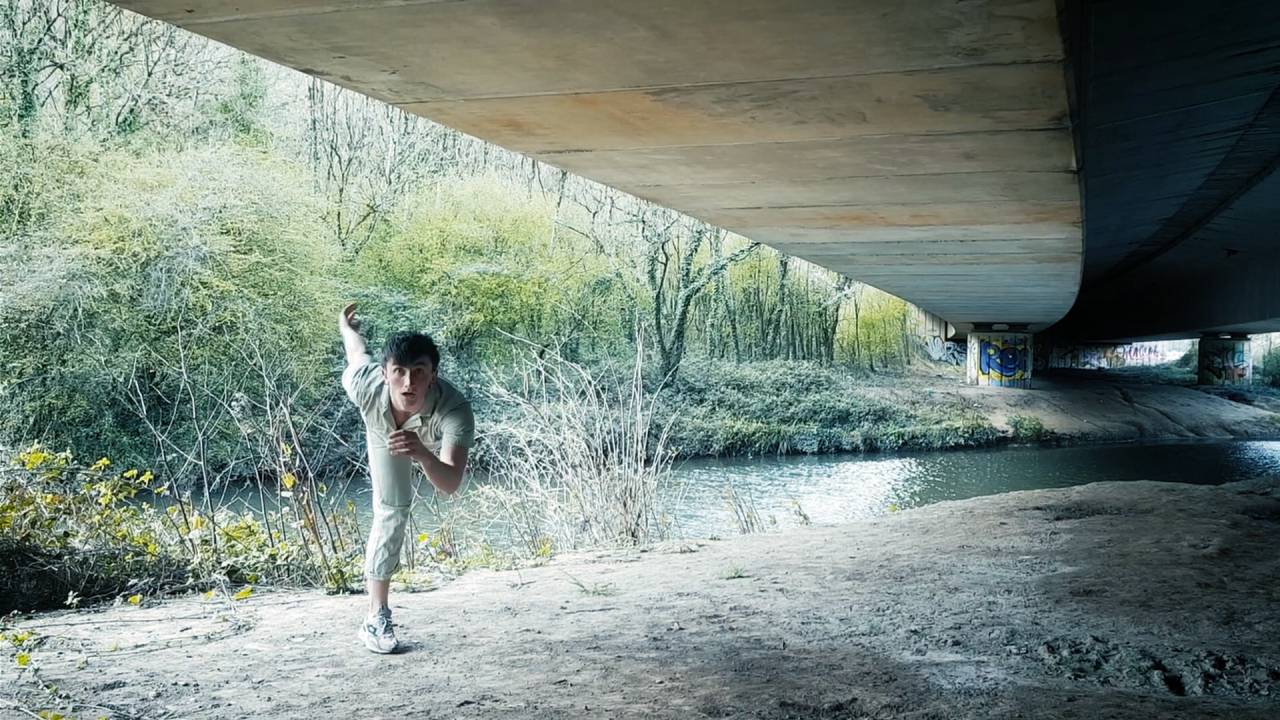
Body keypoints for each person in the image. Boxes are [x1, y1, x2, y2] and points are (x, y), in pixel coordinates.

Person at [338, 303, 474, 653]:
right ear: (385, 374)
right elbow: (357, 353)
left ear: (433, 374)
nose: (409, 382)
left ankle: (376, 614)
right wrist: (347, 329)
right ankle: (376, 615)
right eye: (399, 371)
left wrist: (423, 454)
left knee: (411, 495)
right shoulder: (365, 386)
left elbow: (450, 484)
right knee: (393, 508)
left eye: (418, 371)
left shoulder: (455, 409)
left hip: (426, 440)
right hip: (382, 430)